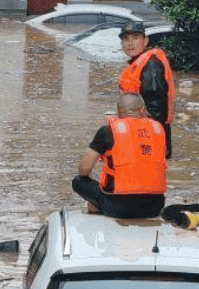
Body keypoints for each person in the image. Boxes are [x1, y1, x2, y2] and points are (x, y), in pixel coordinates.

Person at [72, 93, 167, 219]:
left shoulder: (107, 131)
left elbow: (84, 170)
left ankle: (97, 206)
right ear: (143, 110)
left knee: (78, 182)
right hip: (155, 207)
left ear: (118, 112)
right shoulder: (158, 130)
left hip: (118, 207)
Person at [118, 21, 174, 158]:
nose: (130, 43)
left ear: (145, 41)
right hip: (143, 135)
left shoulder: (151, 66)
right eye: (126, 39)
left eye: (135, 37)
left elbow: (156, 110)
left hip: (151, 138)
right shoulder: (138, 65)